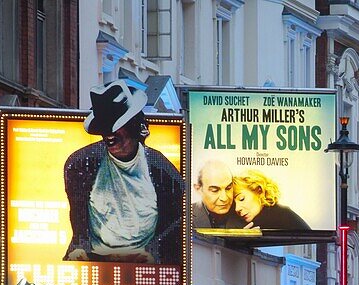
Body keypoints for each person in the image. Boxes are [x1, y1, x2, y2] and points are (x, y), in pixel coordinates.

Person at [63, 80, 184, 264]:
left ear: (134, 125)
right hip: (93, 264)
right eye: (103, 127)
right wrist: (81, 247)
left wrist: (154, 251)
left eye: (115, 125)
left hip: (146, 267)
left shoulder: (162, 170)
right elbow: (78, 222)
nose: (108, 133)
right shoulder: (79, 164)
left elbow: (178, 219)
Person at [232, 171, 311, 230]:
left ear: (259, 190)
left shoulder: (279, 216)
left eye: (241, 199)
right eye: (234, 204)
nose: (237, 209)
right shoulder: (276, 212)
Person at [192, 159, 243, 229]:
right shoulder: (185, 216)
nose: (224, 198)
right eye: (215, 190)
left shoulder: (245, 212)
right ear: (198, 189)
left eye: (228, 188)